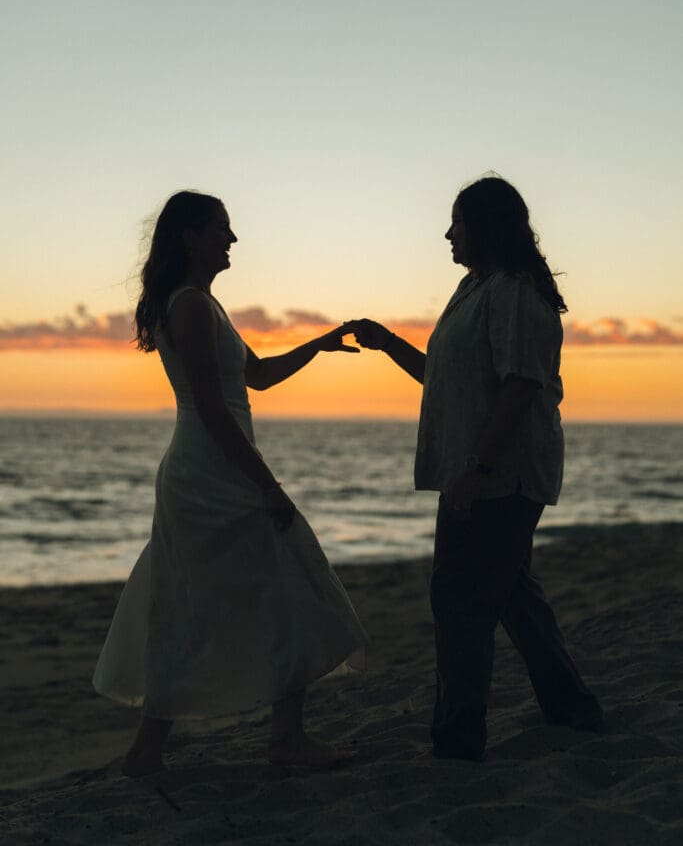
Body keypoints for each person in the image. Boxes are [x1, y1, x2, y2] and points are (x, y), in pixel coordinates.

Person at [93, 190, 367, 776]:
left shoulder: (204, 304)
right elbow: (213, 410)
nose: (233, 239)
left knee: (192, 604)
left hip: (208, 466)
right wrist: (268, 487)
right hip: (209, 471)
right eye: (221, 227)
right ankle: (282, 740)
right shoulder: (190, 305)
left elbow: (258, 376)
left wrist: (319, 345)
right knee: (285, 586)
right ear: (190, 236)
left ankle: (149, 750)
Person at [348, 175, 602, 761]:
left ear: (484, 226)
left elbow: (520, 387)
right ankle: (572, 707)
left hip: (499, 473)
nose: (448, 233)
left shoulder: (514, 292)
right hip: (481, 468)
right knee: (510, 592)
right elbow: (444, 378)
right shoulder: (474, 288)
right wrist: (387, 342)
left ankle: (458, 738)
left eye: (458, 222)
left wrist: (476, 467)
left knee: (459, 600)